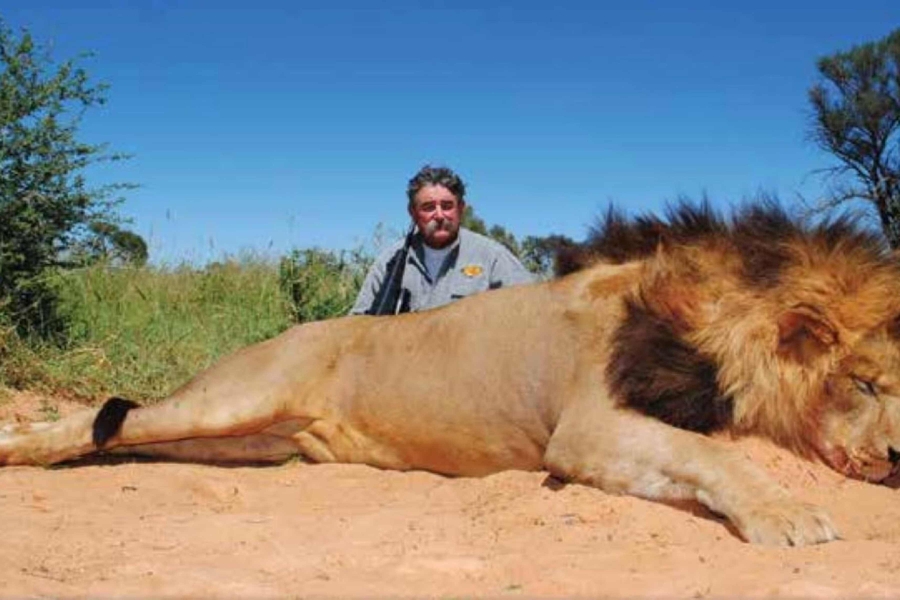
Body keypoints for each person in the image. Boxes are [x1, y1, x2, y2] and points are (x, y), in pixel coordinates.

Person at [350, 165, 533, 315]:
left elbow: (530, 312)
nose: (439, 215)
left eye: (447, 206)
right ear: (412, 212)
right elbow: (357, 326)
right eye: (428, 207)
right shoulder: (389, 261)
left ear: (461, 208)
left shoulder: (493, 257)